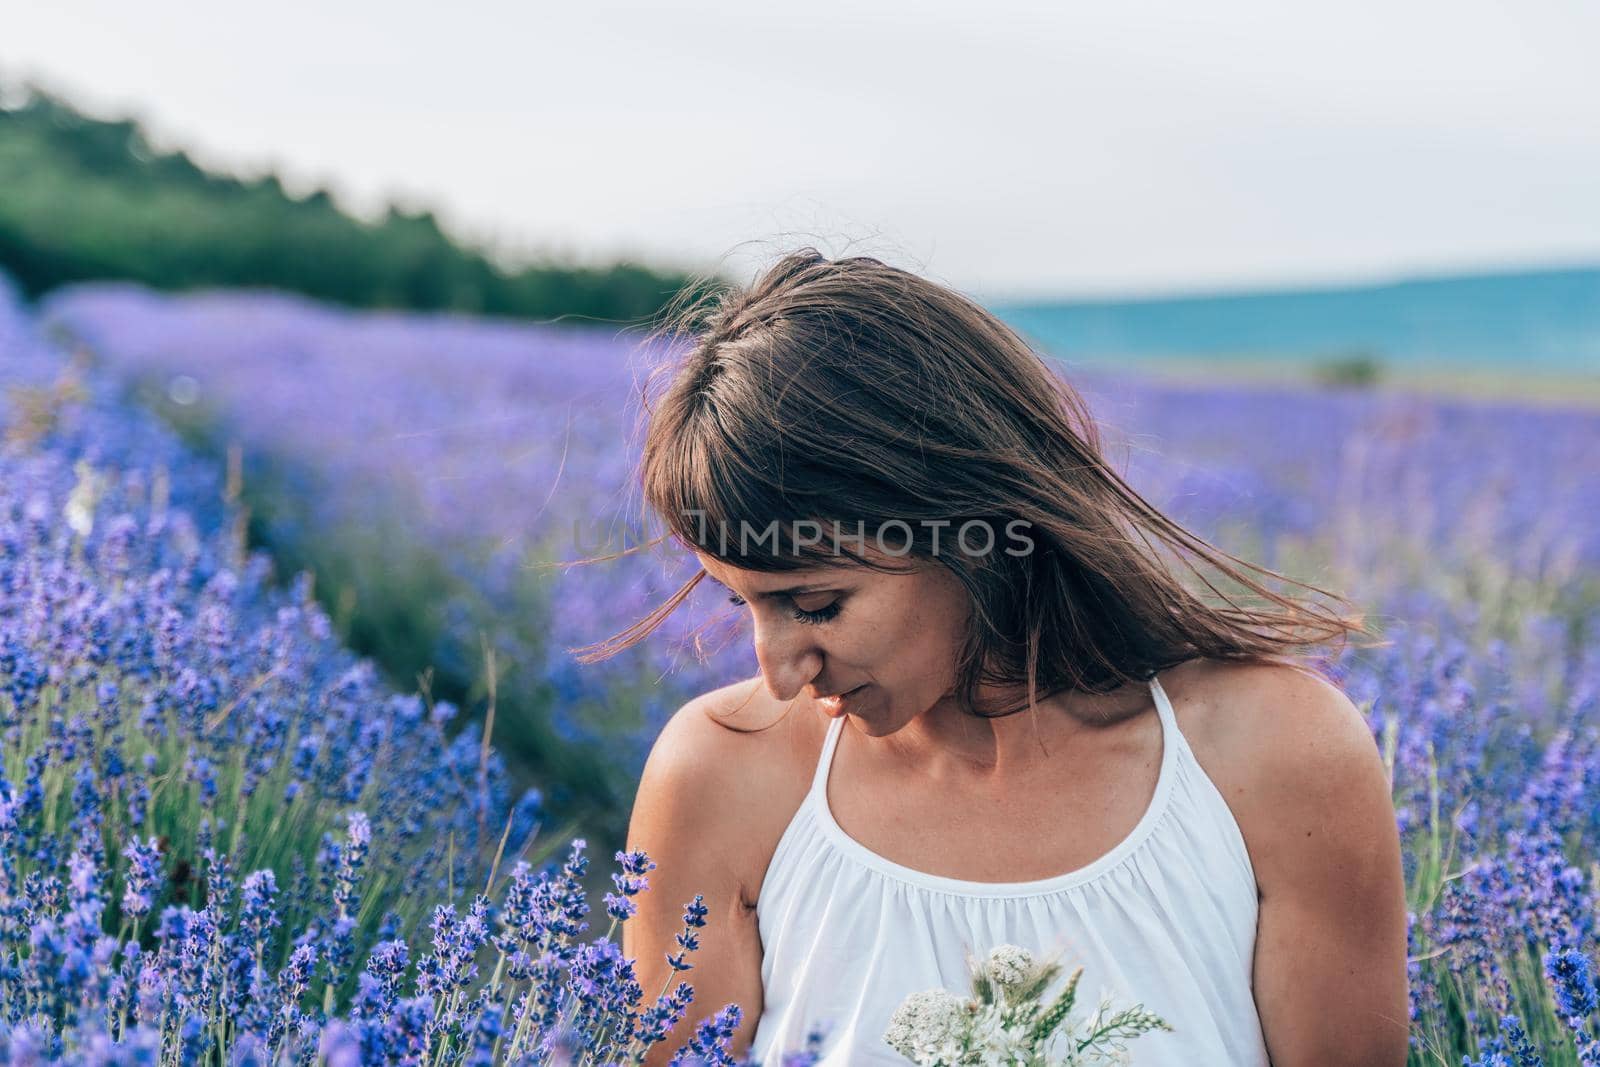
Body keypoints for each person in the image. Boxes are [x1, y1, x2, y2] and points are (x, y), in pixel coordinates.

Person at [575, 248, 1409, 1065]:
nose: (779, 670)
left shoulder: (1278, 755)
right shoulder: (724, 776)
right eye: (742, 601)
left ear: (968, 529)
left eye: (818, 603)